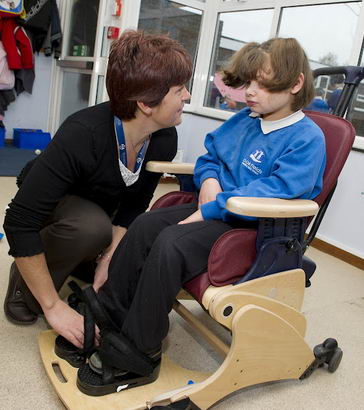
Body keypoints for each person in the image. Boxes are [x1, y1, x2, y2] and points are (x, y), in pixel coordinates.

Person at [60, 37, 327, 396]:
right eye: (248, 82)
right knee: (144, 225)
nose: (250, 92)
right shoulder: (246, 120)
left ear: (295, 84)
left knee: (171, 243)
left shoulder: (307, 138)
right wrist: (211, 179)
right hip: (218, 212)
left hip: (254, 229)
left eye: (263, 85)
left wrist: (212, 205)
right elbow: (210, 157)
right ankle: (109, 316)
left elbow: (278, 191)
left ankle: (141, 349)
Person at [2, 30, 192, 347]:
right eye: (179, 89)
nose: (187, 96)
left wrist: (106, 261)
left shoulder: (164, 138)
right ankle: (23, 285)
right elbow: (19, 221)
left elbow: (135, 206)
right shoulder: (83, 133)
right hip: (58, 201)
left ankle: (82, 257)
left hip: (102, 202)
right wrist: (53, 306)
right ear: (146, 103)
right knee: (90, 228)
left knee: (114, 249)